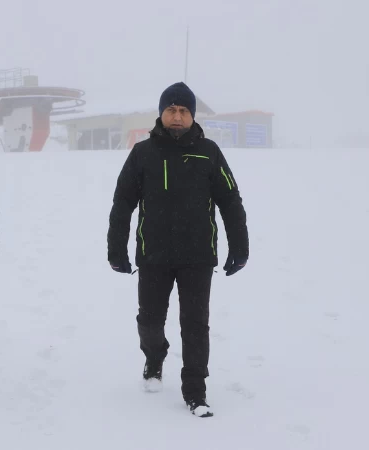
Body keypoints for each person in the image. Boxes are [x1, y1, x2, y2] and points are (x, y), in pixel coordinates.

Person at [107, 82, 249, 418]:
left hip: (197, 257)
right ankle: (154, 358)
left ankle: (195, 392)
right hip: (153, 255)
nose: (177, 116)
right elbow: (122, 202)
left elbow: (231, 201)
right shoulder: (143, 153)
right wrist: (116, 248)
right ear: (161, 113)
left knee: (196, 325)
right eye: (171, 109)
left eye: (183, 110)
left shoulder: (209, 152)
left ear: (192, 116)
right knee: (150, 320)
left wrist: (239, 246)